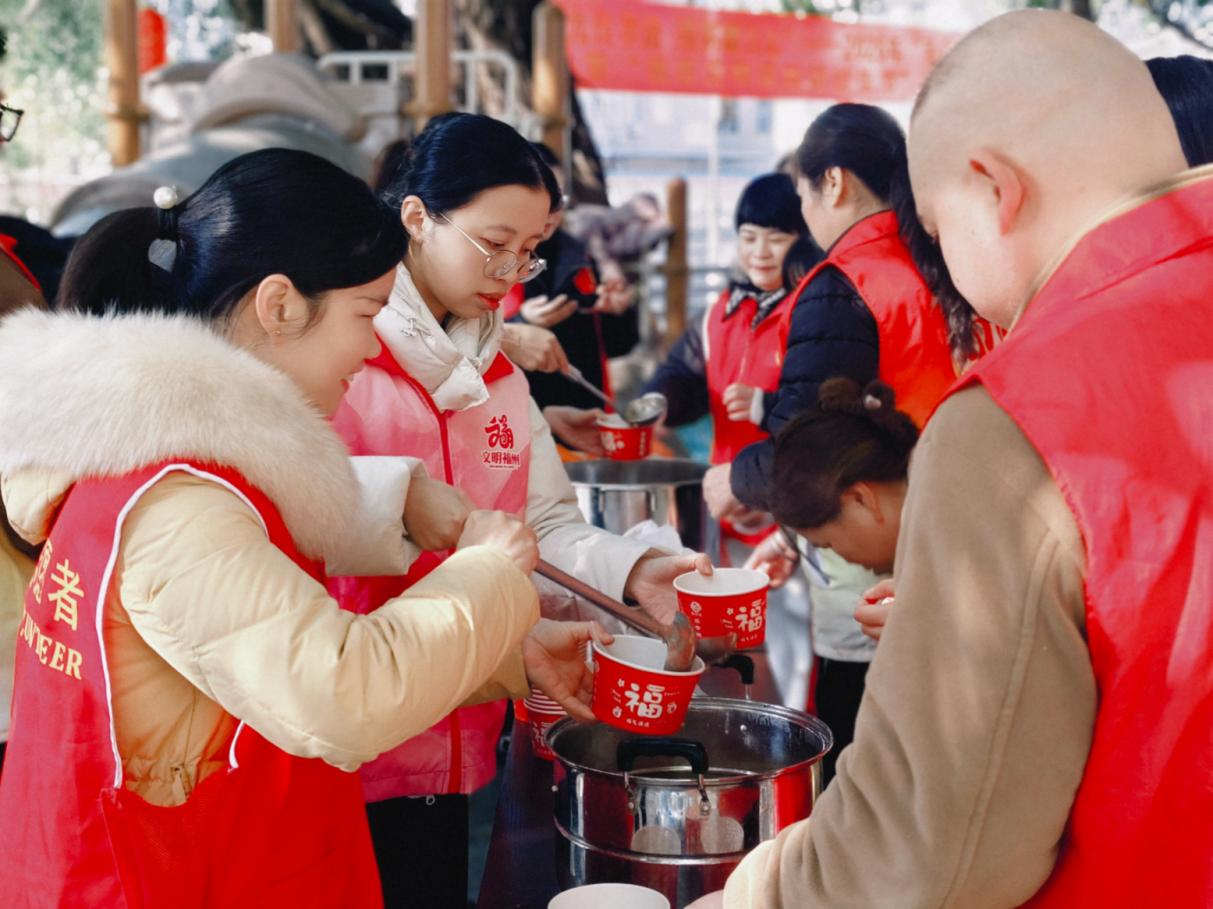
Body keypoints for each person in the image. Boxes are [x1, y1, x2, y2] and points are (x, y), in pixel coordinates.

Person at [693, 10, 1209, 906]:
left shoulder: (1028, 411)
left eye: (932, 228)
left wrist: (755, 890)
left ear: (993, 188)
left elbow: (932, 854)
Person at [0, 147, 605, 907]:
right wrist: (489, 570)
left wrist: (508, 657)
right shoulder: (177, 502)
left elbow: (265, 657)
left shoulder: (161, 457)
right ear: (279, 304)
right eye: (364, 314)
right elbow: (339, 693)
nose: (367, 346)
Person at [330, 113, 711, 908]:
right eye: (492, 242)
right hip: (341, 731)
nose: (513, 269)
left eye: (529, 248)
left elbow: (541, 526)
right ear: (415, 216)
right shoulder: (340, 353)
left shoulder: (496, 372)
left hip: (463, 721)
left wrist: (637, 568)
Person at [710, 105, 955, 719]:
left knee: (852, 738)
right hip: (941, 534)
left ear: (835, 182)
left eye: (803, 196)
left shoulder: (844, 281)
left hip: (868, 556)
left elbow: (805, 450)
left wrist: (734, 478)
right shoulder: (939, 265)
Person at [767, 377, 916, 779]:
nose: (837, 556)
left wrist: (927, 620)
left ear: (860, 499)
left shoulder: (961, 532)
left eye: (828, 545)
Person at [502, 142, 640, 454]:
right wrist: (520, 325)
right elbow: (461, 347)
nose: (552, 211)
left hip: (587, 423)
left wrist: (618, 310)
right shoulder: (492, 260)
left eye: (559, 198)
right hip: (518, 431)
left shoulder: (580, 256)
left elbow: (620, 344)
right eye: (542, 196)